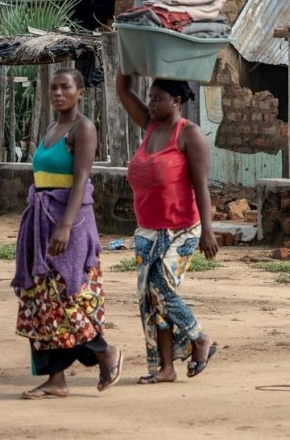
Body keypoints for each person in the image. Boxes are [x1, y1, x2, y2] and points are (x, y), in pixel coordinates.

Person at [12, 68, 122, 399]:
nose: (58, 93)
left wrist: (64, 224)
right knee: (40, 302)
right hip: (40, 223)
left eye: (66, 87)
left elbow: (82, 178)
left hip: (70, 224)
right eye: (54, 88)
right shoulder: (51, 129)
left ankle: (105, 353)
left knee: (67, 298)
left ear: (80, 93)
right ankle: (55, 380)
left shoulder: (82, 128)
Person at [116, 73, 218, 384]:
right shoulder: (150, 126)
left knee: (160, 287)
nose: (150, 102)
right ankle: (165, 368)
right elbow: (122, 89)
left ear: (176, 101)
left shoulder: (190, 135)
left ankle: (198, 337)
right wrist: (130, 55)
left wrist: (208, 232)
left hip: (182, 229)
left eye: (158, 97)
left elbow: (201, 187)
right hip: (147, 230)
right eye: (150, 96)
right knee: (149, 299)